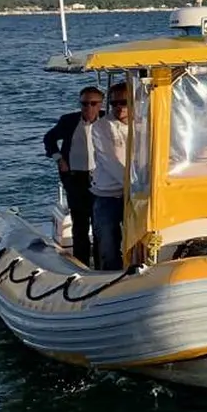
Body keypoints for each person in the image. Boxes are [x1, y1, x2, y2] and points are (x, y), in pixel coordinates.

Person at [42, 86, 104, 262]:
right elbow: (49, 138)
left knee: (101, 224)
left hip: (101, 179)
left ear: (100, 104)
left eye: (93, 103)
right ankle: (81, 262)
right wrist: (59, 159)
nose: (88, 108)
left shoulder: (107, 119)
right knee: (80, 225)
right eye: (84, 103)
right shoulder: (69, 121)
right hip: (75, 178)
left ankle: (103, 263)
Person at [87, 81, 132, 271]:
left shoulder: (146, 123)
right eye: (114, 104)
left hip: (139, 193)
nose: (119, 107)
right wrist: (134, 184)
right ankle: (111, 280)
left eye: (123, 102)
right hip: (108, 195)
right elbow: (110, 161)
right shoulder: (100, 128)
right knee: (108, 244)